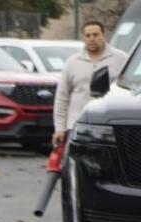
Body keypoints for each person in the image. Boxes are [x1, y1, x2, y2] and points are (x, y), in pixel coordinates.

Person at [52, 20, 128, 148]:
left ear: (103, 35)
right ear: (83, 38)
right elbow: (62, 98)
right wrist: (60, 128)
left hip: (108, 126)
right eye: (88, 36)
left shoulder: (121, 58)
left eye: (95, 35)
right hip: (76, 125)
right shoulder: (73, 62)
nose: (92, 39)